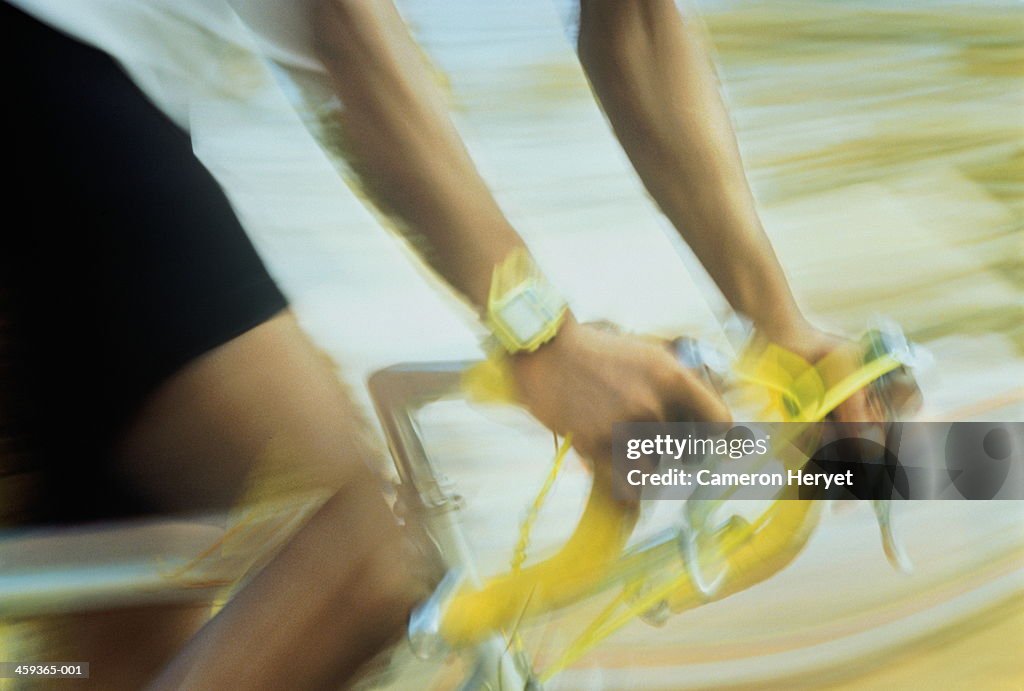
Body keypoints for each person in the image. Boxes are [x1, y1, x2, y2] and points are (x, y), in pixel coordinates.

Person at [1, 0, 873, 688]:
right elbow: (346, 30)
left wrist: (780, 326)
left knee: (121, 650)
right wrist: (541, 338)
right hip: (52, 65)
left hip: (86, 93)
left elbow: (637, 23)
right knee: (354, 554)